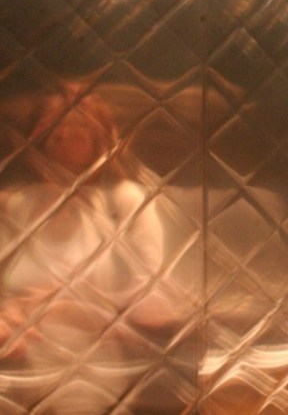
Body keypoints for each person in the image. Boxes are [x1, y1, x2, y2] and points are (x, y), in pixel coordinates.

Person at [0, 81, 179, 413]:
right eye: (55, 122)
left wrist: (61, 306)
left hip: (90, 367)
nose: (65, 130)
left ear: (100, 136)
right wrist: (8, 316)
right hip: (16, 368)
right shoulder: (16, 205)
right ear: (38, 135)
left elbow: (156, 306)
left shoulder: (124, 201)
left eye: (79, 122)